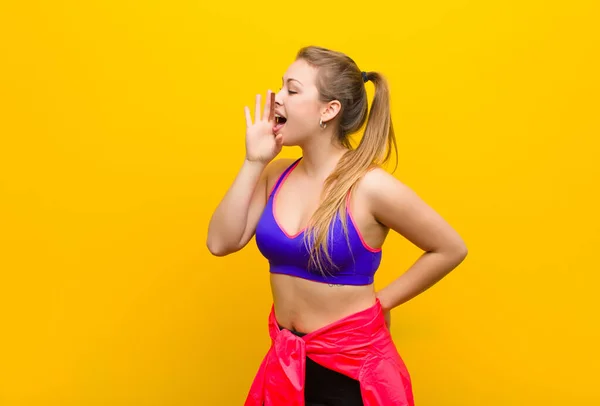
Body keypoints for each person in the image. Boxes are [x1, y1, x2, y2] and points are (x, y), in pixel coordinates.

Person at [206, 45, 468, 406]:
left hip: (353, 373)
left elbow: (450, 247)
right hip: (287, 366)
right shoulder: (274, 174)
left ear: (329, 110)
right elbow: (220, 242)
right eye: (279, 86)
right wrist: (253, 161)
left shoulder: (369, 186)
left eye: (292, 90)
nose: (276, 98)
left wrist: (382, 303)